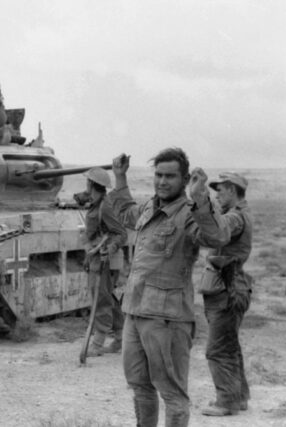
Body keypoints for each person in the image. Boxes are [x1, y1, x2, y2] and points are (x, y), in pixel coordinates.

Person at [109, 148, 230, 427]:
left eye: (170, 176)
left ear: (185, 179)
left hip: (167, 318)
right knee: (140, 387)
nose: (162, 182)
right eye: (158, 175)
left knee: (172, 393)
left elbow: (218, 236)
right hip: (135, 311)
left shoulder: (190, 214)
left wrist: (200, 198)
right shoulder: (151, 208)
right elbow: (126, 212)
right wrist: (120, 178)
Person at [199, 173, 253, 416]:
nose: (218, 195)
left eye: (220, 190)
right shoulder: (241, 214)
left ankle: (227, 400)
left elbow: (219, 230)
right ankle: (238, 396)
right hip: (233, 284)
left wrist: (201, 204)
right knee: (229, 344)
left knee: (217, 349)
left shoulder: (234, 217)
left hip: (227, 287)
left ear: (232, 189)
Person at [79, 167, 128, 357]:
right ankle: (120, 338)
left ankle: (98, 342)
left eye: (88, 182)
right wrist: (88, 257)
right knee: (110, 299)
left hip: (105, 260)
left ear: (92, 184)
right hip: (96, 258)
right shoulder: (96, 204)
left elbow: (120, 234)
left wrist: (111, 249)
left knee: (101, 298)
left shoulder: (105, 206)